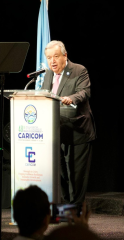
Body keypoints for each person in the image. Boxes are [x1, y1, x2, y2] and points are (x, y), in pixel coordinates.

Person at [41, 40, 96, 205]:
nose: (53, 61)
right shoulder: (48, 74)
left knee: (76, 176)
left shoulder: (79, 70)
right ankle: (66, 206)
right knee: (59, 172)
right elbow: (45, 95)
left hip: (78, 130)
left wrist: (70, 98)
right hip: (57, 130)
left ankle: (76, 210)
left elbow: (84, 92)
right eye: (49, 58)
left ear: (65, 56)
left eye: (56, 56)